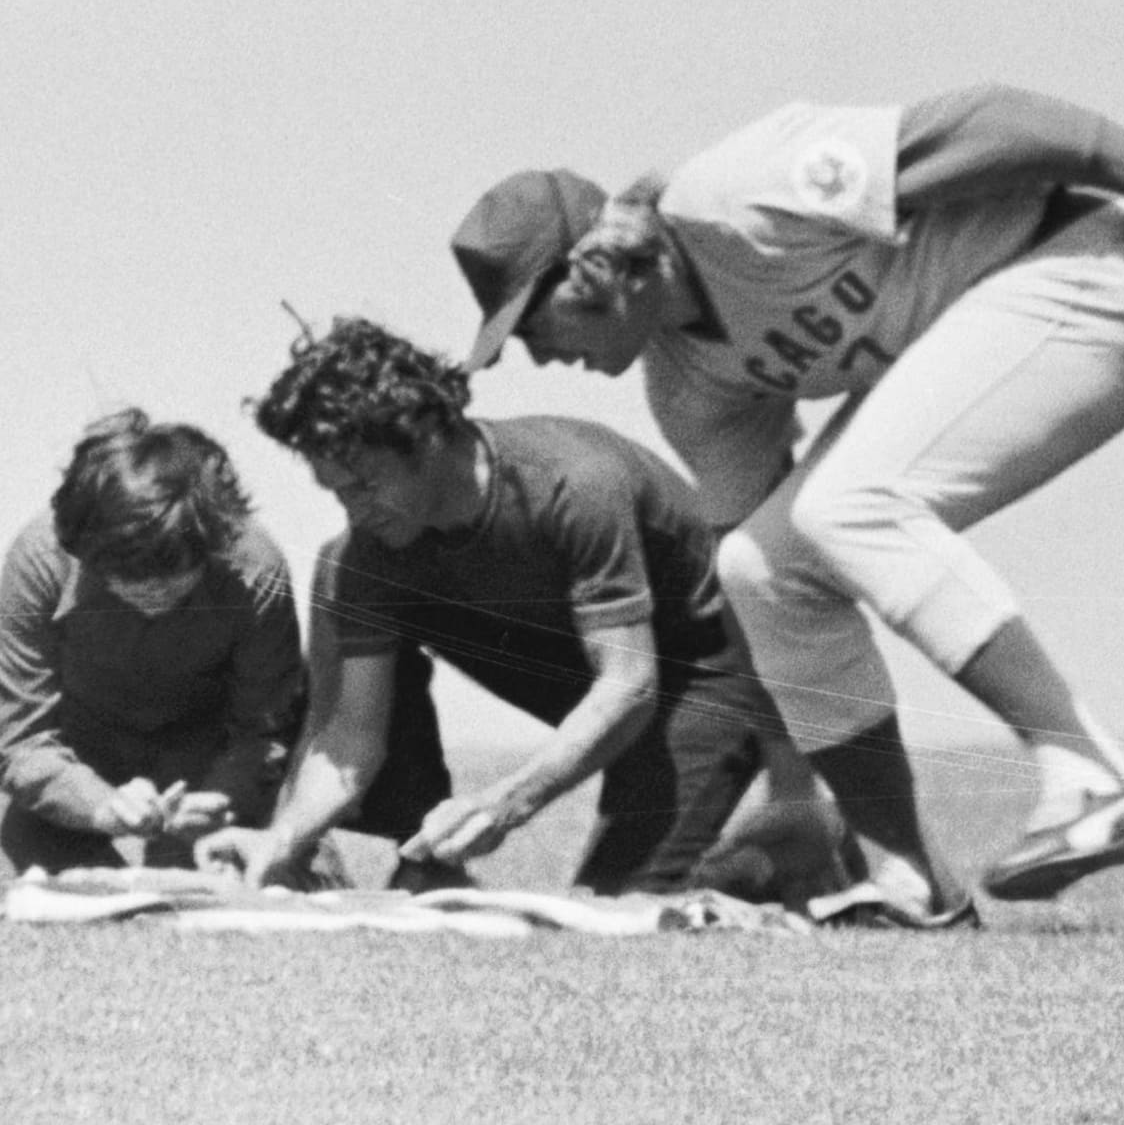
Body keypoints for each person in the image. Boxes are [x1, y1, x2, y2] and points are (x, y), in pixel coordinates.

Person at [449, 83, 1124, 901]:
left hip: (1087, 264)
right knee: (757, 563)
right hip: (1004, 315)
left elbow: (995, 123)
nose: (535, 353)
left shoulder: (731, 199)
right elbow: (765, 587)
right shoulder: (688, 384)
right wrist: (794, 793)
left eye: (528, 320)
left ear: (590, 267)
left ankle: (1095, 773)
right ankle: (911, 878)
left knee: (848, 506)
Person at [195, 318, 963, 922]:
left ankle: (800, 846)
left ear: (425, 437)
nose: (352, 508)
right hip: (593, 687)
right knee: (344, 573)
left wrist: (506, 801)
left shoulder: (574, 486)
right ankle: (432, 861)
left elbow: (629, 684)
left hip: (701, 685)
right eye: (335, 490)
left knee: (618, 918)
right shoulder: (370, 547)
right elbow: (352, 739)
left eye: (363, 483)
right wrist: (280, 843)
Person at [0, 410, 305, 877]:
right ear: (80, 547)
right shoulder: (38, 561)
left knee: (254, 877)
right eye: (126, 573)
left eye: (175, 569)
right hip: (82, 762)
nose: (153, 589)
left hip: (208, 764)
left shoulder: (256, 569)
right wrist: (98, 805)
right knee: (56, 879)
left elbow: (263, 733)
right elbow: (22, 741)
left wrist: (223, 796)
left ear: (213, 541)